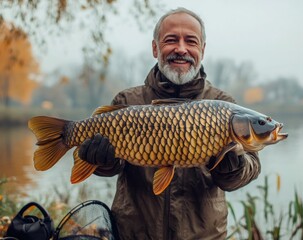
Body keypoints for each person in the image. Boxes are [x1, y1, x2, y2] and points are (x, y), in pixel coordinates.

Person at [78, 7, 261, 240]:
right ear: (155, 48)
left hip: (203, 236)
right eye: (171, 40)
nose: (181, 49)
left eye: (191, 41)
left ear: (202, 50)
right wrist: (101, 161)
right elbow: (113, 167)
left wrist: (233, 170)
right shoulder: (127, 102)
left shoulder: (222, 104)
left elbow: (250, 167)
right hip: (134, 234)